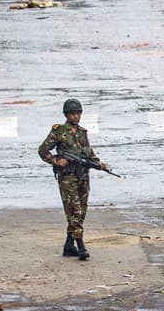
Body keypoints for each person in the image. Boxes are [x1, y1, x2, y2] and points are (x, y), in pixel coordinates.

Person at [37, 98, 110, 260]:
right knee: (74, 211)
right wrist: (56, 161)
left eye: (78, 113)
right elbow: (43, 150)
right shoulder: (59, 132)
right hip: (67, 178)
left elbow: (88, 153)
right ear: (66, 114)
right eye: (72, 113)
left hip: (83, 176)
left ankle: (69, 245)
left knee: (81, 211)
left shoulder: (82, 133)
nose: (76, 116)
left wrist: (99, 164)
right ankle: (81, 247)